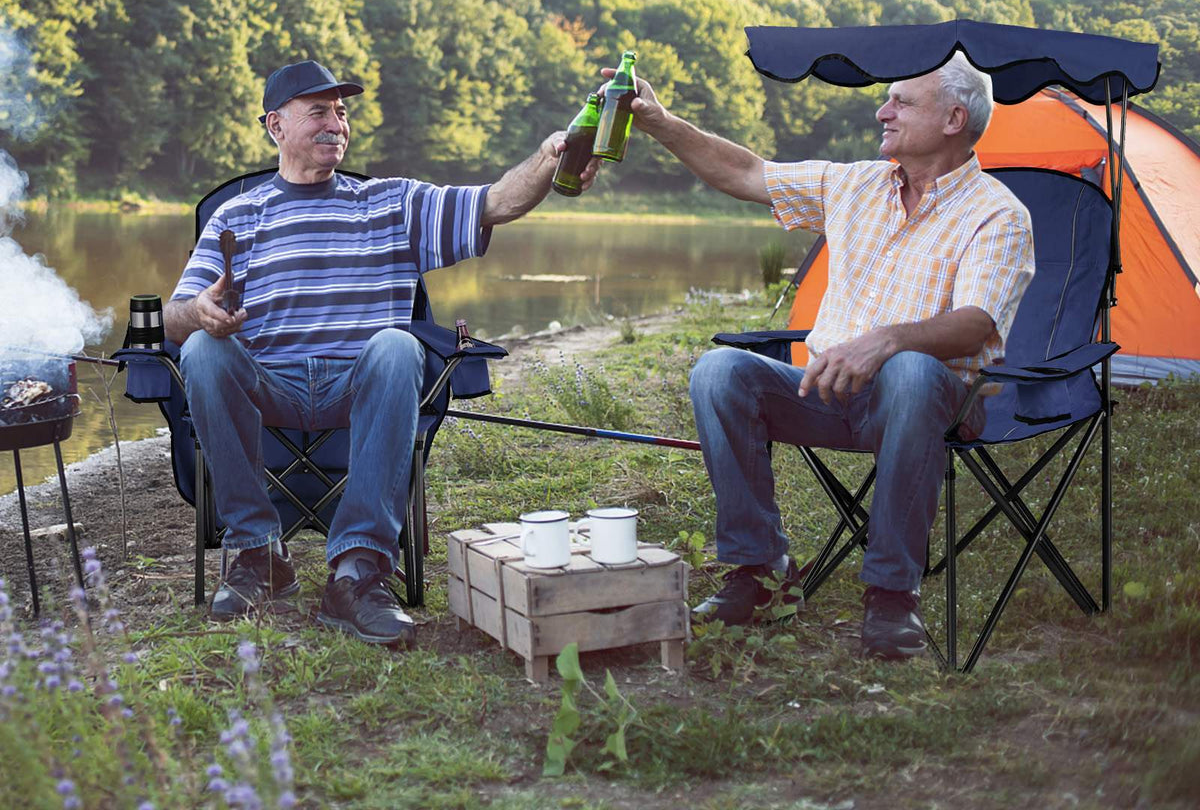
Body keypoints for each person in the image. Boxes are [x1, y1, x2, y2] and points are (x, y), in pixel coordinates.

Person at [605, 52, 1034, 659]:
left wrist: (886, 341)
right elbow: (746, 173)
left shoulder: (997, 214)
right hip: (827, 394)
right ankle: (759, 573)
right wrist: (661, 122)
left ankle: (891, 595)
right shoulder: (855, 183)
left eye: (901, 101)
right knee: (720, 371)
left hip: (927, 403)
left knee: (910, 369)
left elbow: (976, 324)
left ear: (953, 118)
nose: (881, 110)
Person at [164, 60, 599, 647]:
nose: (335, 123)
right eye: (318, 111)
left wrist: (550, 158)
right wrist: (200, 314)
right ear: (276, 127)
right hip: (269, 383)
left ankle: (357, 572)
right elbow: (173, 317)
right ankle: (258, 551)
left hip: (360, 385)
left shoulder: (391, 203)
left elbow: (495, 203)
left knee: (398, 344)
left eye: (341, 112)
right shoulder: (236, 216)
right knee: (202, 354)